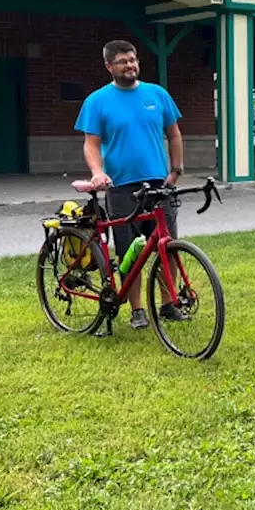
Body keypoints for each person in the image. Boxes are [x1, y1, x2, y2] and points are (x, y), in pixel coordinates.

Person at [75, 39, 188, 329]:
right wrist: (98, 172)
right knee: (130, 251)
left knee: (167, 246)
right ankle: (137, 309)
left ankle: (168, 304)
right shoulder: (97, 101)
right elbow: (91, 144)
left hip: (159, 183)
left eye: (133, 59)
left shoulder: (157, 94)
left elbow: (174, 134)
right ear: (109, 66)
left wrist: (175, 170)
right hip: (122, 186)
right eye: (123, 61)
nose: (130, 65)